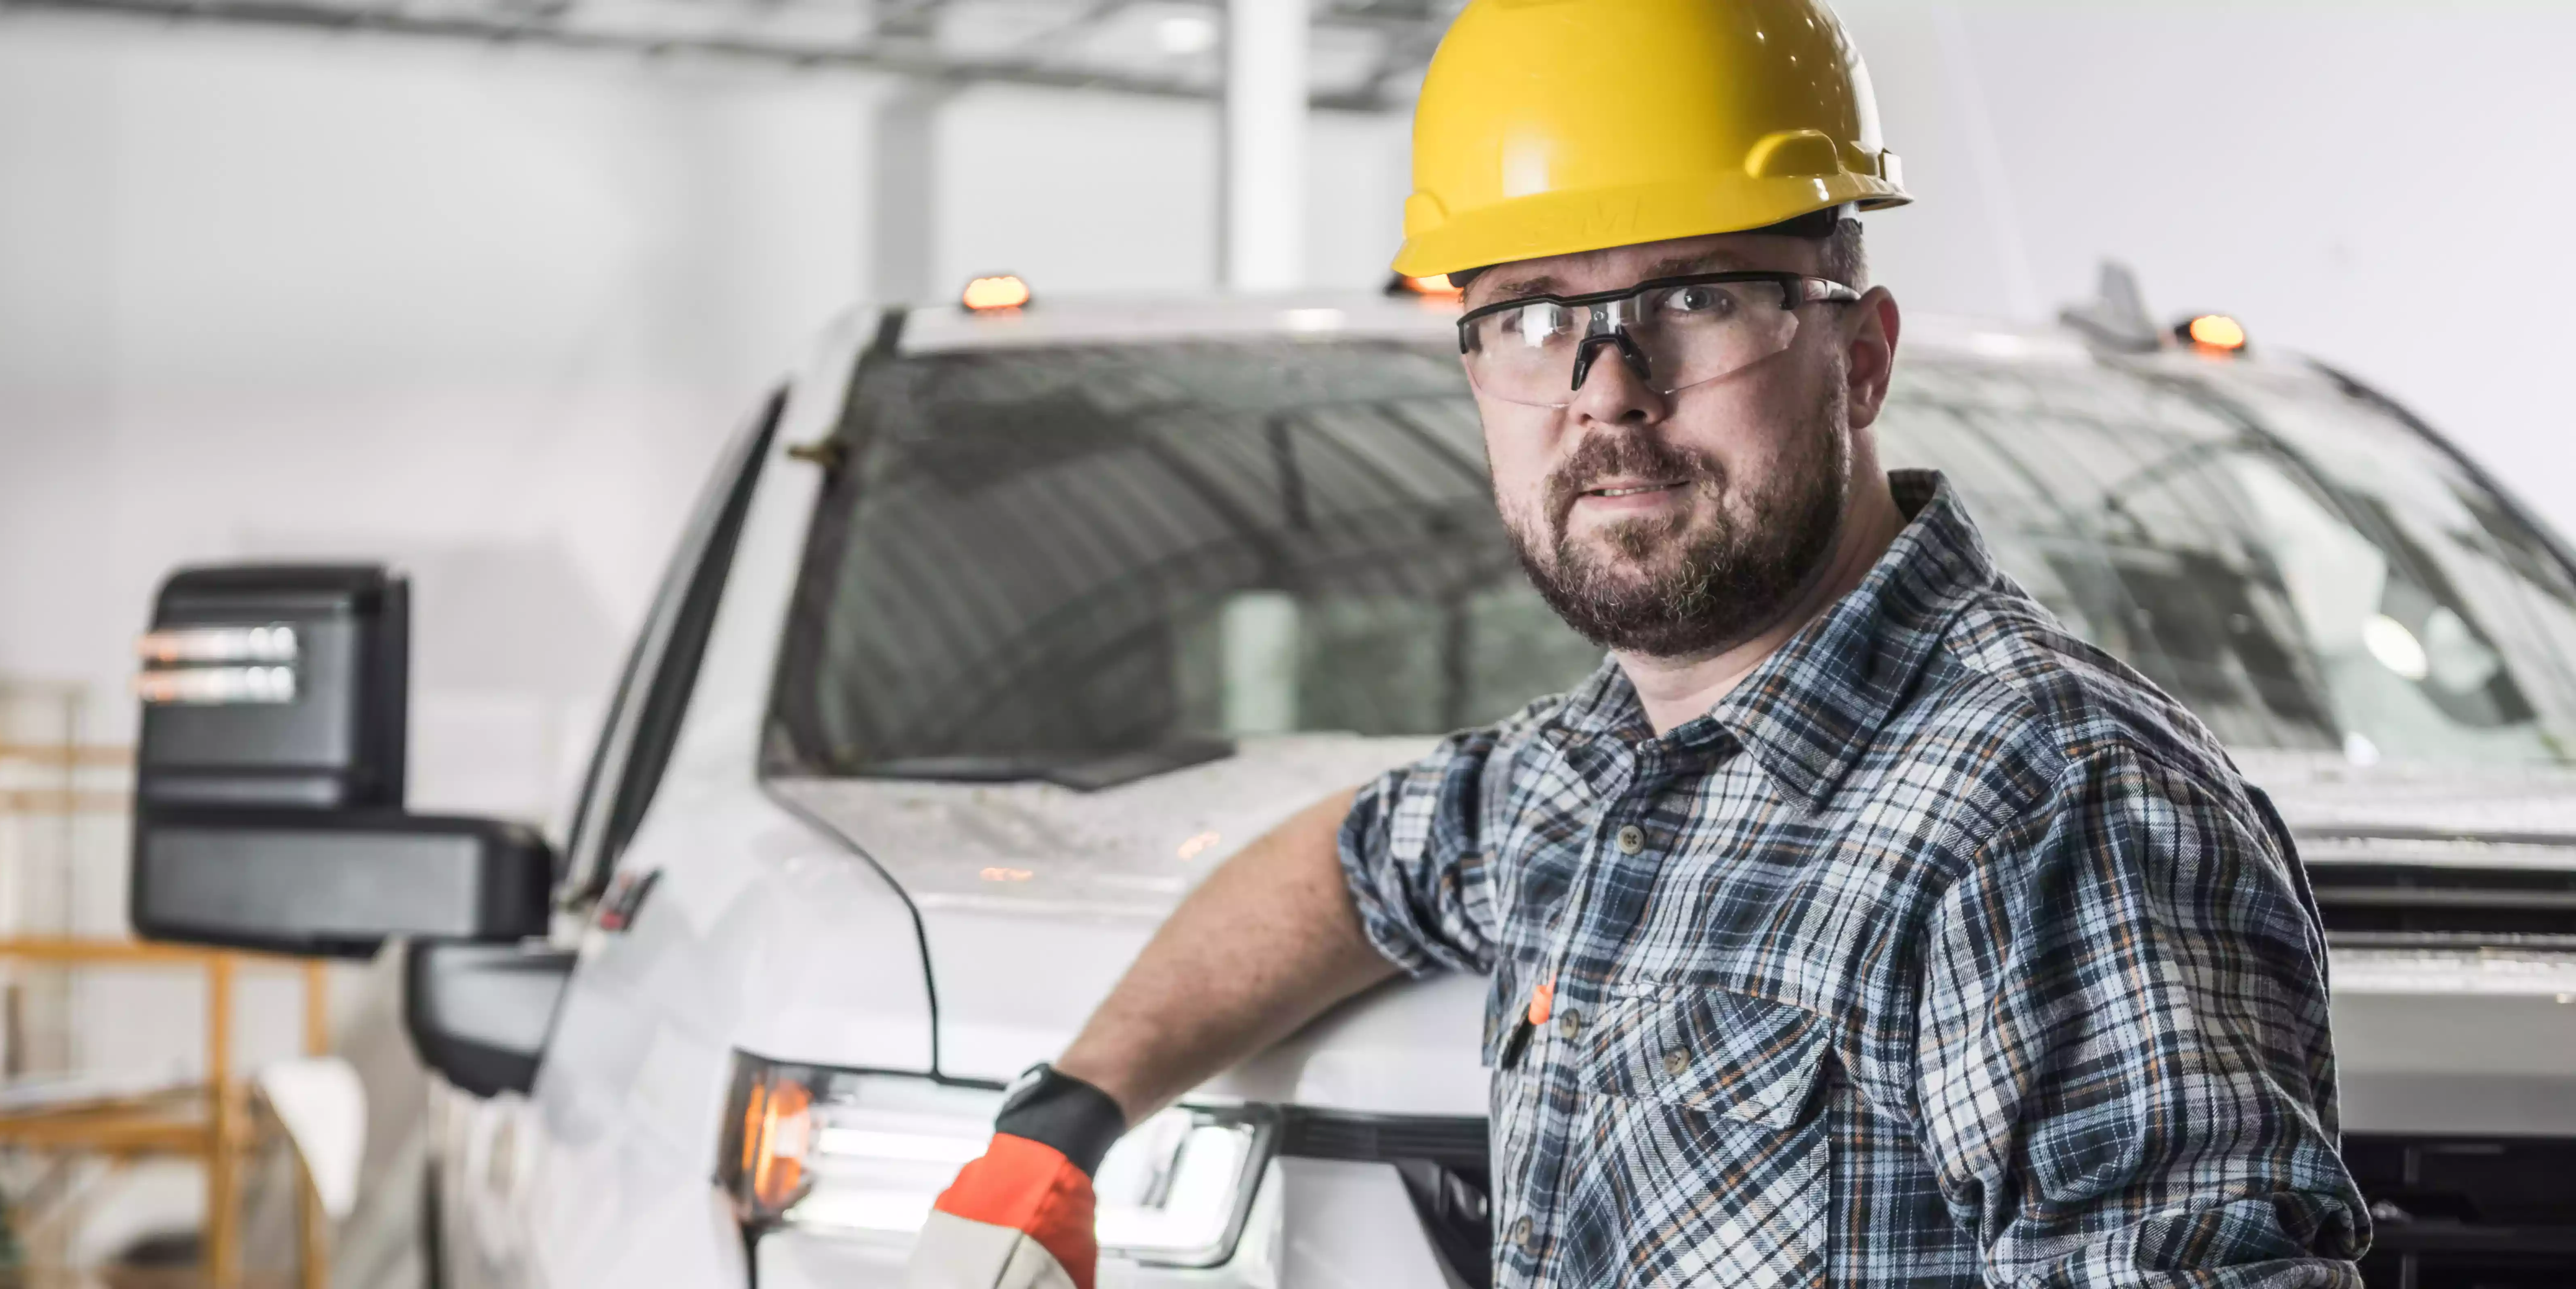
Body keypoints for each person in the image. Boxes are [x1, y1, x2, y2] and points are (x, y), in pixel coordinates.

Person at [902, 0, 2370, 1285]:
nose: (1608, 392)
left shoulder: (2050, 813)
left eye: (1694, 298)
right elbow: (1348, 867)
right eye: (1534, 315)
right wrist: (1061, 1127)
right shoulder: (1594, 773)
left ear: (1859, 359)